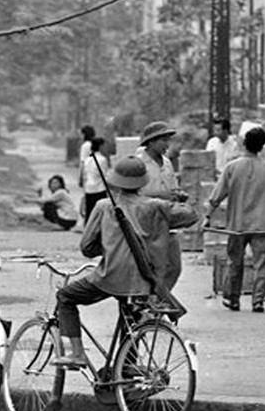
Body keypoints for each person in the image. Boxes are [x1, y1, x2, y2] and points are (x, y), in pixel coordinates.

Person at [52, 156, 200, 366]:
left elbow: (87, 247)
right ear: (142, 182)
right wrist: (176, 200)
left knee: (65, 296)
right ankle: (128, 370)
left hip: (111, 277)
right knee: (131, 321)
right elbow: (191, 216)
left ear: (116, 181)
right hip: (145, 281)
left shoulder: (104, 206)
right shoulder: (156, 206)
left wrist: (108, 248)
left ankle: (77, 353)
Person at [203, 127, 265, 313]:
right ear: (262, 147)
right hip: (263, 225)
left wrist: (207, 217)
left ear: (244, 143)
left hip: (237, 225)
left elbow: (217, 196)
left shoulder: (232, 167)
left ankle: (233, 298)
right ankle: (258, 301)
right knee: (261, 263)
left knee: (234, 262)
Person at [135, 121, 188, 290]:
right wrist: (160, 196)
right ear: (150, 142)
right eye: (163, 140)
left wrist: (178, 194)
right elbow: (132, 197)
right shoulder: (138, 163)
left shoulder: (167, 163)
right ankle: (147, 305)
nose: (167, 145)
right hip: (146, 224)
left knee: (174, 267)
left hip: (167, 221)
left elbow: (173, 186)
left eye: (168, 140)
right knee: (152, 269)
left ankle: (157, 301)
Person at [81, 137, 109, 223]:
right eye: (104, 145)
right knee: (100, 215)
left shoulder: (88, 160)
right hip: (99, 189)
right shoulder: (102, 159)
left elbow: (85, 176)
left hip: (89, 189)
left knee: (90, 214)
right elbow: (105, 176)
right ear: (100, 146)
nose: (106, 148)